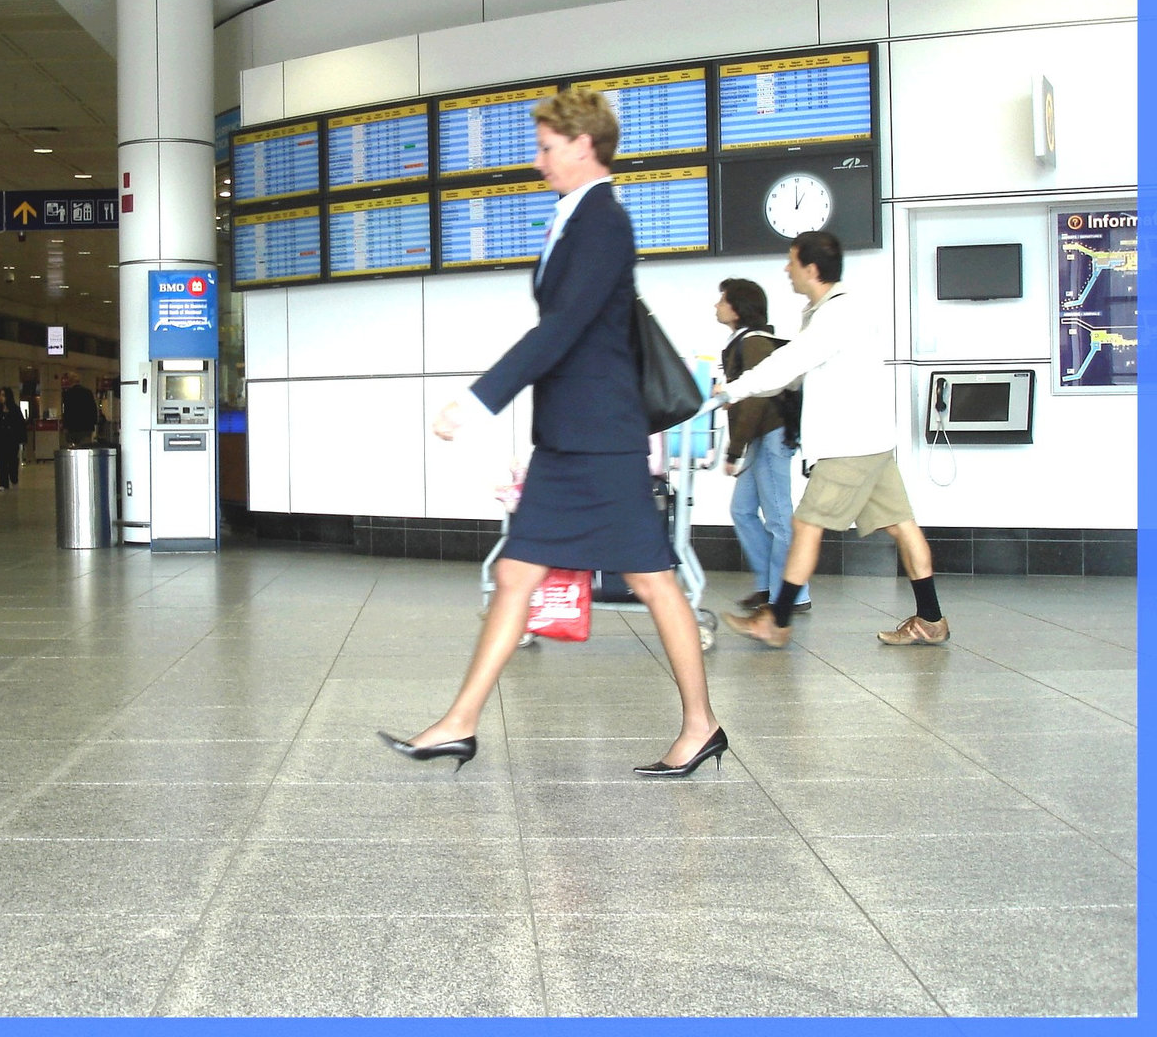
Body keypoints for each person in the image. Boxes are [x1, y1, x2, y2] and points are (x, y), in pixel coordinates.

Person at [377, 87, 724, 778]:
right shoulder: (573, 217)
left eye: (546, 147)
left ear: (583, 145)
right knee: (515, 574)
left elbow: (561, 330)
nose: (538, 162)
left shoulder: (604, 223)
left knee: (654, 582)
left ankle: (701, 725)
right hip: (573, 439)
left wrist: (478, 402)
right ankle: (460, 722)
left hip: (600, 440)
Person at [713, 230, 951, 648]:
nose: (786, 270)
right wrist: (748, 388)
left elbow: (790, 362)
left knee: (806, 524)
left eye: (791, 262)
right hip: (871, 440)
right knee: (901, 525)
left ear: (811, 268)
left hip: (849, 444)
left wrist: (733, 390)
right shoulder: (833, 310)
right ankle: (931, 618)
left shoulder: (835, 315)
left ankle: (778, 620)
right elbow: (792, 374)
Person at [716, 278, 811, 614]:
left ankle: (792, 595)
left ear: (738, 308)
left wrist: (733, 450)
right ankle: (769, 586)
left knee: (779, 517)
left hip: (770, 436)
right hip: (760, 437)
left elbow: (755, 400)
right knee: (742, 511)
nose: (717, 306)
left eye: (722, 300)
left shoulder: (754, 342)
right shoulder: (741, 342)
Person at [0, 386, 27, 490]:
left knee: (12, 461)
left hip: (12, 440)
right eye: (0, 395)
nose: (1, 398)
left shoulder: (15, 410)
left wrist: (22, 439)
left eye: (3, 395)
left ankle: (14, 478)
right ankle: (3, 483)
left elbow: (20, 425)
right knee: (1, 462)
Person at [61, 373, 101, 447]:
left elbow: (66, 412)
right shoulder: (88, 392)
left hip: (72, 427)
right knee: (85, 447)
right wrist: (94, 423)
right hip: (86, 427)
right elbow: (93, 409)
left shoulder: (67, 394)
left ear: (70, 382)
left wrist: (65, 426)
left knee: (73, 448)